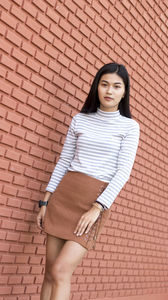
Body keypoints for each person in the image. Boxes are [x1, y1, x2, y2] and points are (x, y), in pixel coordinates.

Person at [36, 62, 140, 300]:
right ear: (96, 87)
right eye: (104, 84)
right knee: (50, 273)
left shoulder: (129, 127)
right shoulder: (80, 120)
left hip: (93, 203)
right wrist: (45, 202)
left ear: (124, 92)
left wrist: (98, 207)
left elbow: (123, 172)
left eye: (116, 86)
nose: (109, 91)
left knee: (61, 271)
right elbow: (63, 162)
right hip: (64, 197)